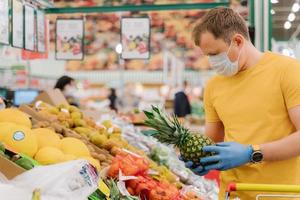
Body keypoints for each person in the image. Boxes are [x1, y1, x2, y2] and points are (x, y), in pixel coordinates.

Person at [183, 7, 300, 199]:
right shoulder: (213, 86)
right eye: (208, 56)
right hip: (232, 194)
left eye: (215, 54)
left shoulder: (288, 71)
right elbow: (213, 142)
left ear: (237, 41)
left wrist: (251, 153)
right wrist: (201, 161)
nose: (212, 62)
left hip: (279, 194)